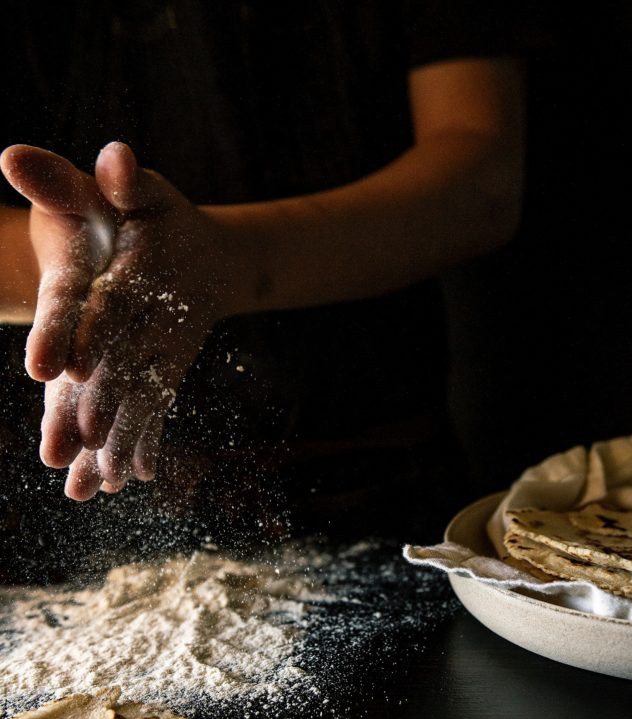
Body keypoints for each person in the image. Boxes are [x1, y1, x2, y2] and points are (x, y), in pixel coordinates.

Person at [0, 2, 528, 559]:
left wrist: (223, 259)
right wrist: (64, 264)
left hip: (366, 476)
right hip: (28, 519)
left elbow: (482, 178)